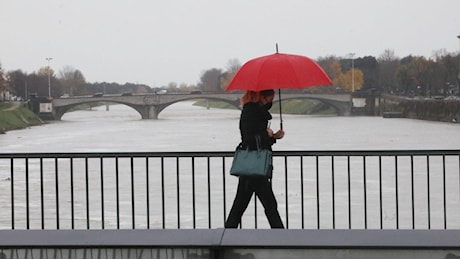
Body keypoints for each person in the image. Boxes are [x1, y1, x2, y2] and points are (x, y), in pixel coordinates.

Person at [225, 89, 285, 229]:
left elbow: (259, 139)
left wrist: (274, 136)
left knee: (241, 205)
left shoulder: (257, 112)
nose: (272, 99)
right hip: (254, 165)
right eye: (271, 96)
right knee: (268, 204)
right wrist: (266, 134)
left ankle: (227, 235)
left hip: (254, 165)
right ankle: (282, 237)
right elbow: (249, 140)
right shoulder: (250, 112)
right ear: (262, 96)